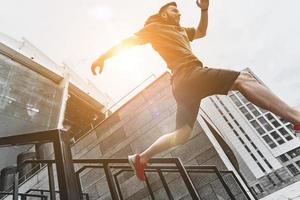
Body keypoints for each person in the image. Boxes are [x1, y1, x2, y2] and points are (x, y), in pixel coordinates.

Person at [91, 0, 300, 181]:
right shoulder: (154, 28)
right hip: (188, 74)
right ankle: (295, 117)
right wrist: (102, 57)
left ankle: (141, 157)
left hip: (183, 86)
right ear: (164, 13)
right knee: (243, 79)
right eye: (175, 11)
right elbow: (128, 42)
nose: (179, 13)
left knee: (182, 133)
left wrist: (204, 10)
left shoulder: (182, 31)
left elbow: (201, 32)